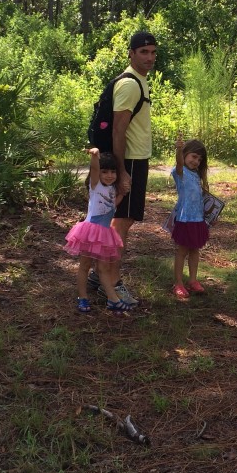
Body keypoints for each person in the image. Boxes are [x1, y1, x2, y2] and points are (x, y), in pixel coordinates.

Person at [89, 30, 157, 306]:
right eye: (144, 52)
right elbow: (118, 131)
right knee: (120, 225)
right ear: (130, 53)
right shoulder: (130, 84)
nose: (150, 57)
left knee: (117, 222)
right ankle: (111, 283)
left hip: (134, 159)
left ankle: (98, 275)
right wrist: (122, 170)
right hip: (128, 160)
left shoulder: (138, 80)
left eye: (153, 52)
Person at [64, 149, 132, 313]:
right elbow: (94, 170)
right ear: (98, 173)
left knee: (103, 268)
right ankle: (82, 298)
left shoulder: (112, 189)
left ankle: (113, 300)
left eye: (113, 172)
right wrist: (95, 157)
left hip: (104, 233)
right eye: (105, 172)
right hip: (90, 232)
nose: (109, 175)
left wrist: (122, 194)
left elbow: (111, 206)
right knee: (84, 266)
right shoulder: (95, 185)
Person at [170, 134, 210, 300]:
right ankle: (178, 283)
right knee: (182, 251)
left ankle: (192, 280)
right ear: (185, 154)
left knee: (195, 250)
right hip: (185, 218)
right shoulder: (180, 172)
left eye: (199, 159)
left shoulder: (196, 175)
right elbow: (179, 163)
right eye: (194, 156)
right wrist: (179, 149)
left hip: (198, 219)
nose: (196, 161)